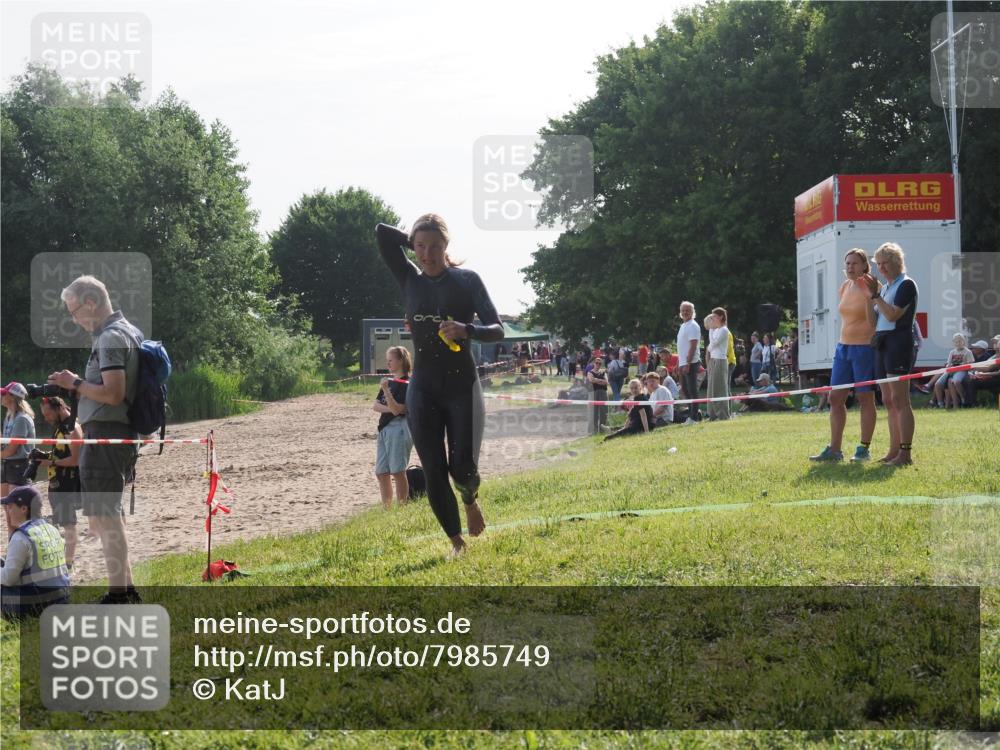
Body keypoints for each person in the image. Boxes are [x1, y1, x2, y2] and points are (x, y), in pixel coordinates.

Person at [375, 215, 503, 555]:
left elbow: (497, 329)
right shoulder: (409, 279)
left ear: (447, 246)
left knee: (462, 467)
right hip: (424, 388)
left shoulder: (466, 281)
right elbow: (382, 234)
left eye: (435, 246)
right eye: (421, 247)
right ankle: (456, 542)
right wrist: (414, 237)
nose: (427, 254)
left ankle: (470, 498)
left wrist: (466, 329)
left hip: (462, 387)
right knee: (433, 469)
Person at [47, 275, 142, 603]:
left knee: (105, 513)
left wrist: (74, 384)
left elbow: (113, 394)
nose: (74, 319)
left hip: (107, 432)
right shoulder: (127, 331)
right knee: (108, 514)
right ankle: (125, 589)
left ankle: (120, 594)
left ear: (90, 303)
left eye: (74, 311)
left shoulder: (110, 337)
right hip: (114, 433)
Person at [810, 248, 880, 463]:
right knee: (835, 398)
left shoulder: (872, 285)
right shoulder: (845, 287)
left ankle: (863, 449)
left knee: (865, 397)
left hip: (865, 349)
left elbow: (874, 322)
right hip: (843, 348)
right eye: (847, 263)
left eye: (855, 263)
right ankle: (835, 449)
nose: (850, 267)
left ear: (864, 265)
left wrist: (870, 296)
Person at [871, 242, 919, 466]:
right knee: (888, 400)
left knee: (901, 400)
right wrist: (870, 296)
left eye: (885, 263)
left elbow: (891, 316)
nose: (881, 268)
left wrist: (876, 298)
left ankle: (905, 453)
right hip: (881, 343)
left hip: (899, 343)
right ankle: (893, 451)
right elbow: (875, 319)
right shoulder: (886, 287)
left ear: (896, 262)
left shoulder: (906, 285)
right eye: (878, 264)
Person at [1, 486, 70, 620]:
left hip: (35, 606)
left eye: (10, 507)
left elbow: (9, 579)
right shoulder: (52, 529)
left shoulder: (21, 537)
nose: (7, 511)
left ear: (23, 509)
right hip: (61, 600)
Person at [36, 396, 83, 569]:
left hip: (67, 483)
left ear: (59, 408)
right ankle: (64, 560)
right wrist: (45, 457)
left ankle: (68, 563)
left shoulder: (71, 427)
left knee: (69, 524)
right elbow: (62, 454)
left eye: (48, 414)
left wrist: (51, 462)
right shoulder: (61, 427)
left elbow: (76, 459)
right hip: (57, 481)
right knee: (61, 522)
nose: (46, 418)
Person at [373, 346, 413, 509]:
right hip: (383, 428)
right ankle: (387, 508)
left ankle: (402, 507)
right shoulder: (389, 381)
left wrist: (386, 392)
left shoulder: (407, 383)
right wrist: (392, 408)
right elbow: (376, 406)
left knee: (397, 471)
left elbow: (399, 410)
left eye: (391, 360)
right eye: (387, 360)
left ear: (401, 360)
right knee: (381, 472)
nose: (388, 363)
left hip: (399, 429)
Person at [1, 382, 35, 497]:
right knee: (6, 507)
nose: (1, 396)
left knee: (16, 509)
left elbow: (11, 450)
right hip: (6, 464)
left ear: (12, 397)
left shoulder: (22, 419)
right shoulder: (9, 417)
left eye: (4, 393)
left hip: (19, 466)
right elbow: (5, 444)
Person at [933, 333, 975, 409]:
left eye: (960, 341)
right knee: (937, 384)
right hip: (951, 370)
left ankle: (963, 398)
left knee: (956, 381)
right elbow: (948, 364)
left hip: (962, 370)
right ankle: (940, 403)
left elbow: (971, 364)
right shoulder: (952, 352)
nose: (958, 343)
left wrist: (962, 365)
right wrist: (949, 366)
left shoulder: (968, 352)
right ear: (953, 343)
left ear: (964, 341)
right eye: (956, 342)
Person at [677, 301, 703, 424]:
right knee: (685, 390)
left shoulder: (693, 325)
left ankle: (694, 418)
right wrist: (680, 362)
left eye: (687, 310)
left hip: (691, 362)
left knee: (692, 390)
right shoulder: (683, 326)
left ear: (693, 312)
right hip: (683, 362)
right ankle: (692, 414)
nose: (685, 312)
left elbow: (693, 345)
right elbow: (682, 346)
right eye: (683, 310)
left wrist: (687, 362)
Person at [705, 307, 731, 421]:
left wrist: (708, 348)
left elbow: (713, 345)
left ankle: (722, 414)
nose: (713, 319)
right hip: (713, 360)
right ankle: (712, 414)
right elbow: (711, 342)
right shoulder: (715, 330)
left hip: (720, 360)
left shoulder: (724, 330)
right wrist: (711, 328)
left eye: (715, 316)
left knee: (720, 388)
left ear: (720, 317)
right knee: (711, 388)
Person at [587, 356, 609, 435]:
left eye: (600, 363)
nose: (598, 364)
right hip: (593, 393)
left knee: (604, 412)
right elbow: (591, 380)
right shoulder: (590, 372)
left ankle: (602, 429)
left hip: (603, 393)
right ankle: (593, 431)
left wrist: (596, 380)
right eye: (596, 363)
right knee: (593, 413)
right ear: (594, 363)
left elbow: (606, 382)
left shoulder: (603, 372)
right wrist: (600, 381)